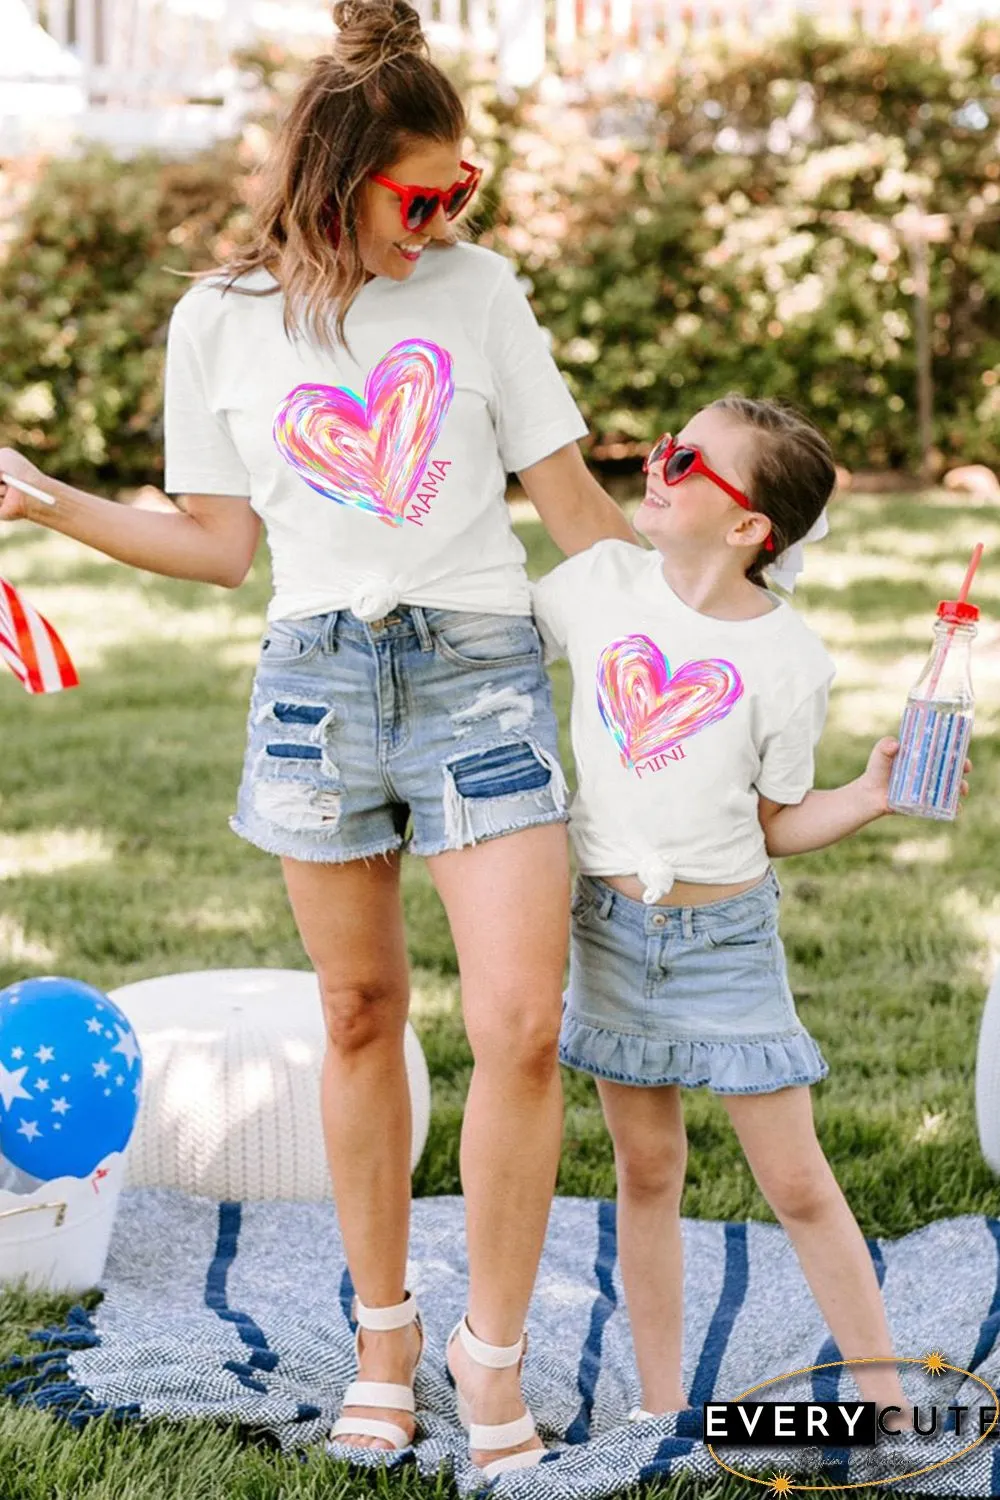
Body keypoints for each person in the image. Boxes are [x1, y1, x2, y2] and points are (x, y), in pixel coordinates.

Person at [0, 0, 634, 1477]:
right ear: (337, 173)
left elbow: (576, 505)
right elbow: (220, 547)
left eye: (463, 192)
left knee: (523, 1028)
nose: (447, 217)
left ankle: (490, 1355)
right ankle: (382, 1335)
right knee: (357, 1014)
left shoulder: (483, 296)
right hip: (315, 690)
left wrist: (695, 638)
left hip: (481, 677)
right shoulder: (215, 323)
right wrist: (40, 498)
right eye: (425, 193)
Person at [531, 395, 970, 1427]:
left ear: (747, 529)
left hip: (724, 942)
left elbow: (772, 822)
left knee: (799, 1182)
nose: (654, 463)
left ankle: (880, 1389)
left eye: (684, 460)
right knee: (646, 1173)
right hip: (608, 931)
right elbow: (483, 642)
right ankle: (659, 1401)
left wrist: (864, 797)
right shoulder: (597, 587)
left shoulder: (789, 657)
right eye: (662, 447)